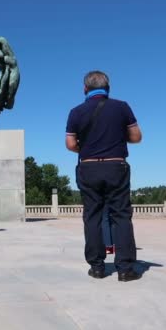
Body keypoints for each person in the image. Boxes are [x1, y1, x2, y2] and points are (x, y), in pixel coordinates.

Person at [65, 70, 142, 282]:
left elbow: (71, 144)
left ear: (85, 89)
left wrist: (87, 147)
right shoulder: (122, 107)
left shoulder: (76, 112)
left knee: (92, 216)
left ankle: (97, 267)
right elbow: (136, 136)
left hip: (88, 167)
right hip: (116, 166)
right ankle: (125, 269)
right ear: (108, 87)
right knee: (121, 216)